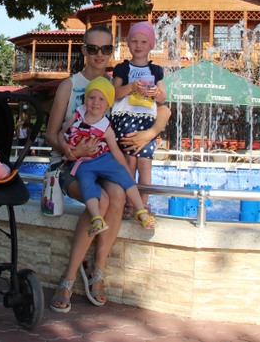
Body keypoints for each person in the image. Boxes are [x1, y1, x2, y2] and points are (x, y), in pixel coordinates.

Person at [46, 24, 170, 313]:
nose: (99, 54)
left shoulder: (119, 83)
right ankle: (68, 278)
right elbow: (51, 134)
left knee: (117, 194)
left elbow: (163, 108)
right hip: (69, 164)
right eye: (93, 48)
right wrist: (72, 150)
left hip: (102, 163)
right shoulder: (70, 86)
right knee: (101, 199)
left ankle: (97, 269)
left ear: (112, 51)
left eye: (105, 48)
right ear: (84, 50)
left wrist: (149, 134)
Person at [59, 77, 156, 236]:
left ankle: (141, 210)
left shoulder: (106, 127)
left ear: (108, 104)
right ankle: (96, 218)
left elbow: (116, 152)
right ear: (86, 99)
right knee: (86, 184)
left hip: (103, 160)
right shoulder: (77, 115)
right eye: (91, 97)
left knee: (124, 177)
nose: (95, 102)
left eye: (101, 99)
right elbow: (62, 133)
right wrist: (65, 147)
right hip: (83, 162)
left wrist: (126, 169)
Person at [111, 21, 167, 218]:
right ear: (128, 43)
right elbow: (114, 94)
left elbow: (163, 97)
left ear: (151, 45)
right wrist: (132, 87)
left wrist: (155, 92)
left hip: (146, 120)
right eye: (134, 41)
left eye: (144, 41)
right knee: (130, 161)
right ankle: (129, 202)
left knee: (145, 163)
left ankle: (143, 204)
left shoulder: (156, 70)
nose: (139, 45)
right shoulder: (122, 68)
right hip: (125, 118)